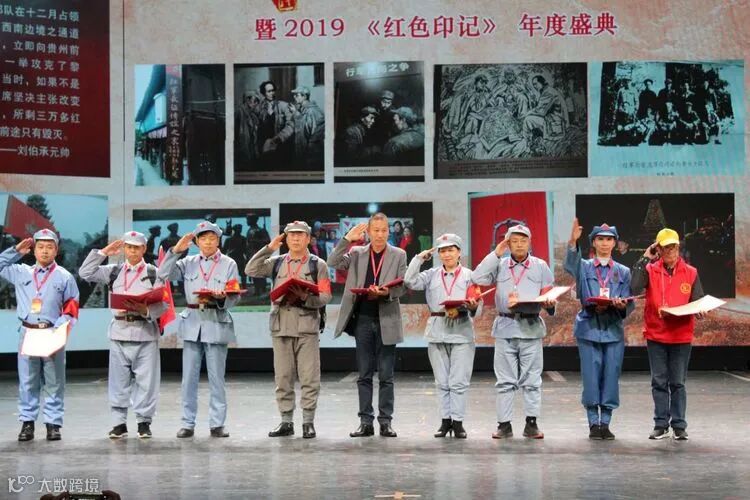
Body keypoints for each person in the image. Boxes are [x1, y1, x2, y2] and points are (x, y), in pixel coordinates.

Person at [245, 221, 332, 439]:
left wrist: (305, 299)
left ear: (308, 239)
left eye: (300, 235)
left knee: (309, 378)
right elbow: (250, 269)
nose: (295, 238)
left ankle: (308, 422)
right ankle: (286, 421)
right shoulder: (276, 263)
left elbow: (325, 296)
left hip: (306, 328)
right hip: (281, 326)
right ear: (286, 238)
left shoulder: (318, 264)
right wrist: (269, 249)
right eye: (291, 235)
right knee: (283, 378)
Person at [79, 231, 168, 439]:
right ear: (124, 249)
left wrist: (145, 310)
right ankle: (118, 423)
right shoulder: (114, 271)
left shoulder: (154, 273)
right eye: (129, 247)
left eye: (137, 247)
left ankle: (144, 422)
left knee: (147, 381)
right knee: (118, 380)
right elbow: (85, 273)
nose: (132, 251)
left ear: (144, 249)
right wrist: (103, 253)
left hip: (145, 331)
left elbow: (164, 304)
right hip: (119, 331)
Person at [157, 221, 242, 438]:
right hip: (192, 323)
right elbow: (163, 274)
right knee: (188, 378)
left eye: (212, 238)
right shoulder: (187, 262)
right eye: (203, 238)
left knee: (217, 378)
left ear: (218, 240)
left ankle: (217, 424)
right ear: (196, 242)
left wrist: (222, 299)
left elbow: (235, 296)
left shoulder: (229, 263)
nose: (208, 242)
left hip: (216, 320)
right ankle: (187, 423)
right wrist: (175, 251)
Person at [471, 224, 556, 440]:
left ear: (530, 242)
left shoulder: (541, 266)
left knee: (532, 380)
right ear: (508, 244)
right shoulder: (499, 265)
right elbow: (478, 277)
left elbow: (548, 295)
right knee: (504, 380)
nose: (519, 245)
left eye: (523, 240)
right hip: (505, 328)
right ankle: (504, 425)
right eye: (514, 241)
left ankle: (531, 424)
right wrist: (496, 253)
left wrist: (549, 304)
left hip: (531, 328)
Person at [327, 213, 407, 438]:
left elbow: (403, 285)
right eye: (376, 230)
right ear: (369, 232)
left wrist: (387, 292)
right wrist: (347, 240)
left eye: (384, 230)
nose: (380, 234)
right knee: (364, 374)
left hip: (387, 318)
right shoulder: (356, 253)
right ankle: (365, 422)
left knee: (386, 375)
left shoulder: (399, 254)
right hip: (363, 319)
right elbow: (332, 262)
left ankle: (385, 422)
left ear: (388, 232)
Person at [0, 229, 79, 441]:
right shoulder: (21, 272)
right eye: (41, 247)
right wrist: (15, 251)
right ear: (34, 250)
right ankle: (27, 423)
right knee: (28, 381)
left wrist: (58, 329)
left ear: (56, 250)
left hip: (52, 332)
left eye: (49, 247)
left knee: (54, 381)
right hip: (28, 332)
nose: (45, 251)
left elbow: (72, 307)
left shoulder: (64, 276)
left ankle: (53, 424)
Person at [630, 228, 706, 441]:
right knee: (659, 381)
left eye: (673, 246)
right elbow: (634, 287)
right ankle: (661, 424)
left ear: (678, 247)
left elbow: (697, 300)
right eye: (666, 247)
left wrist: (700, 310)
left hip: (681, 335)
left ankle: (679, 425)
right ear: (658, 249)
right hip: (657, 335)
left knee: (678, 382)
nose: (670, 251)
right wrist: (645, 257)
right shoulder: (650, 270)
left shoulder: (690, 272)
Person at [403, 234, 481, 439]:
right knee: (442, 381)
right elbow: (409, 281)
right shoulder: (431, 274)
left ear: (459, 252)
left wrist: (471, 307)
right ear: (438, 254)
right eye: (443, 251)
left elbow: (477, 306)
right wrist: (419, 259)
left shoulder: (470, 276)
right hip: (437, 331)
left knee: (459, 381)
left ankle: (458, 422)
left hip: (462, 331)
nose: (447, 254)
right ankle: (445, 421)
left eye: (451, 250)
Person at [564, 220, 634, 440]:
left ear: (615, 243)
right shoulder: (584, 266)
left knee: (611, 375)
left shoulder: (623, 271)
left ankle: (606, 423)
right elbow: (570, 265)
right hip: (589, 327)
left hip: (612, 329)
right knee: (591, 376)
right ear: (593, 242)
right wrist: (573, 242)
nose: (604, 243)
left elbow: (628, 300)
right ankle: (594, 423)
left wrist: (621, 305)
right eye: (600, 239)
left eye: (609, 239)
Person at [257, 80, 295, 168]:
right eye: (269, 91)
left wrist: (279, 138)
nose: (272, 93)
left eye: (273, 90)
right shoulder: (259, 107)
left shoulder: (283, 105)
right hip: (264, 145)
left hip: (280, 144)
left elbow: (290, 125)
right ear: (264, 93)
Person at [291, 86, 325, 170]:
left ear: (305, 96)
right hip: (307, 152)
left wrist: (295, 113)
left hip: (311, 154)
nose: (294, 97)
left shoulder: (311, 111)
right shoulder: (304, 109)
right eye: (294, 95)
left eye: (297, 95)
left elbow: (309, 133)